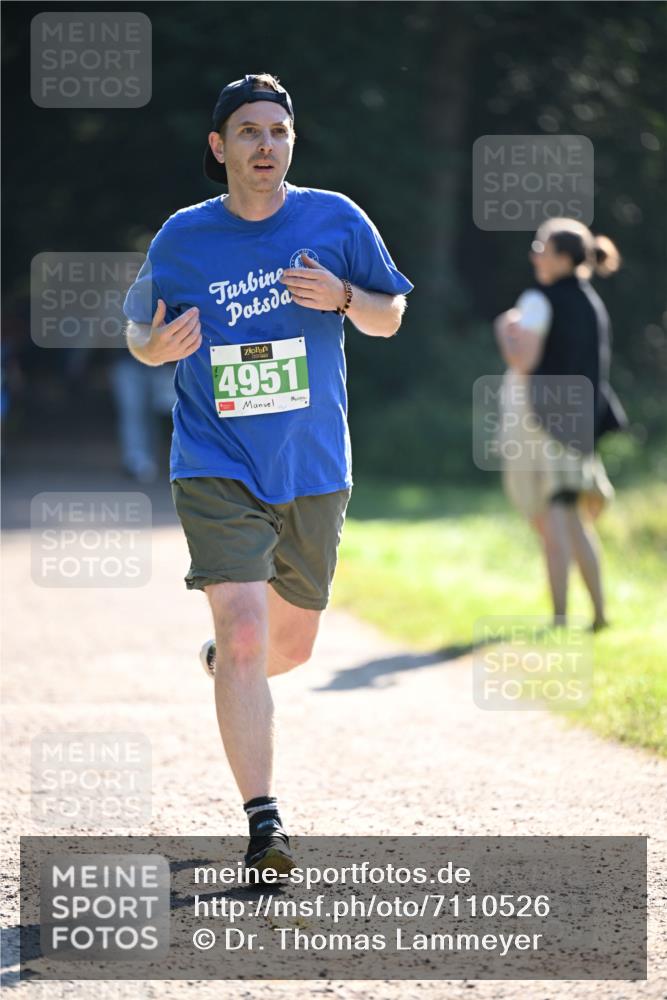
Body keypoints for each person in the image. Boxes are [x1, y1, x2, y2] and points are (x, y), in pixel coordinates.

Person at [122, 73, 413, 875]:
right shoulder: (182, 238)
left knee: (290, 645)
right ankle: (265, 822)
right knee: (246, 631)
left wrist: (345, 295)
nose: (266, 145)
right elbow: (138, 331)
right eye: (248, 131)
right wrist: (157, 349)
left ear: (292, 142)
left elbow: (388, 316)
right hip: (215, 459)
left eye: (278, 131)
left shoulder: (335, 219)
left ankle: (229, 665)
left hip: (313, 465)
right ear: (219, 148)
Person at [494, 217, 626, 631]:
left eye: (542, 247)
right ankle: (599, 615)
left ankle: (559, 618)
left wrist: (503, 330)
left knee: (554, 521)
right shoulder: (591, 302)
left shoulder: (539, 299)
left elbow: (524, 361)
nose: (535, 254)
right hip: (579, 425)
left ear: (563, 258)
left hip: (544, 425)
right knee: (572, 519)